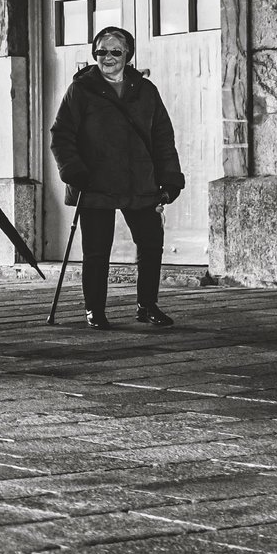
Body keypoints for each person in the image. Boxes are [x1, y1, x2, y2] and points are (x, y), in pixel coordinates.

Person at [50, 25, 184, 329]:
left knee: (151, 243)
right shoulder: (81, 90)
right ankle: (94, 310)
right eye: (101, 51)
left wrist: (171, 178)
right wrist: (72, 170)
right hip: (95, 182)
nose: (107, 57)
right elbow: (61, 135)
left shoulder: (146, 91)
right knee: (96, 250)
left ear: (128, 55)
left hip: (140, 180)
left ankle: (147, 305)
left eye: (115, 51)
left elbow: (162, 137)